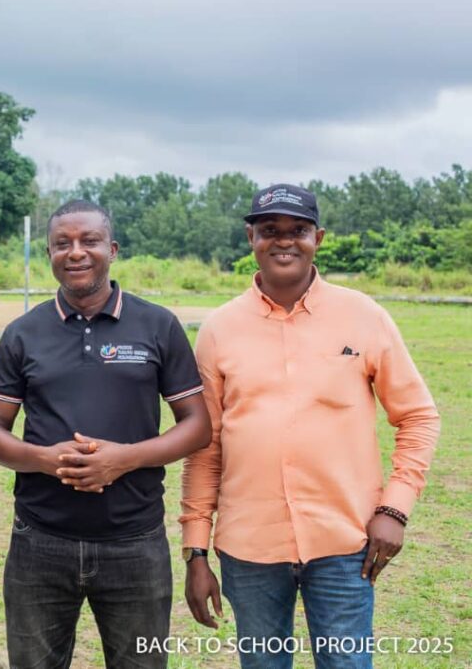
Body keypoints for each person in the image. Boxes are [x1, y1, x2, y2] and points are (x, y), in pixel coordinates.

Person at [180, 183, 441, 668]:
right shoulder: (219, 329)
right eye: (269, 229)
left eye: (298, 230)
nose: (284, 240)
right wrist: (196, 550)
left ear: (317, 238)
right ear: (251, 238)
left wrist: (395, 509)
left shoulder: (364, 316)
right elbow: (206, 447)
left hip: (345, 543)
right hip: (249, 547)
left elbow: (418, 416)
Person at [0, 200, 211, 668]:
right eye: (62, 243)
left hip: (135, 540)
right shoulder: (23, 333)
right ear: (49, 253)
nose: (76, 252)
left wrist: (124, 458)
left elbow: (197, 425)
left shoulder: (157, 325)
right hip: (39, 541)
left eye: (90, 241)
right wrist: (46, 460)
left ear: (113, 249)